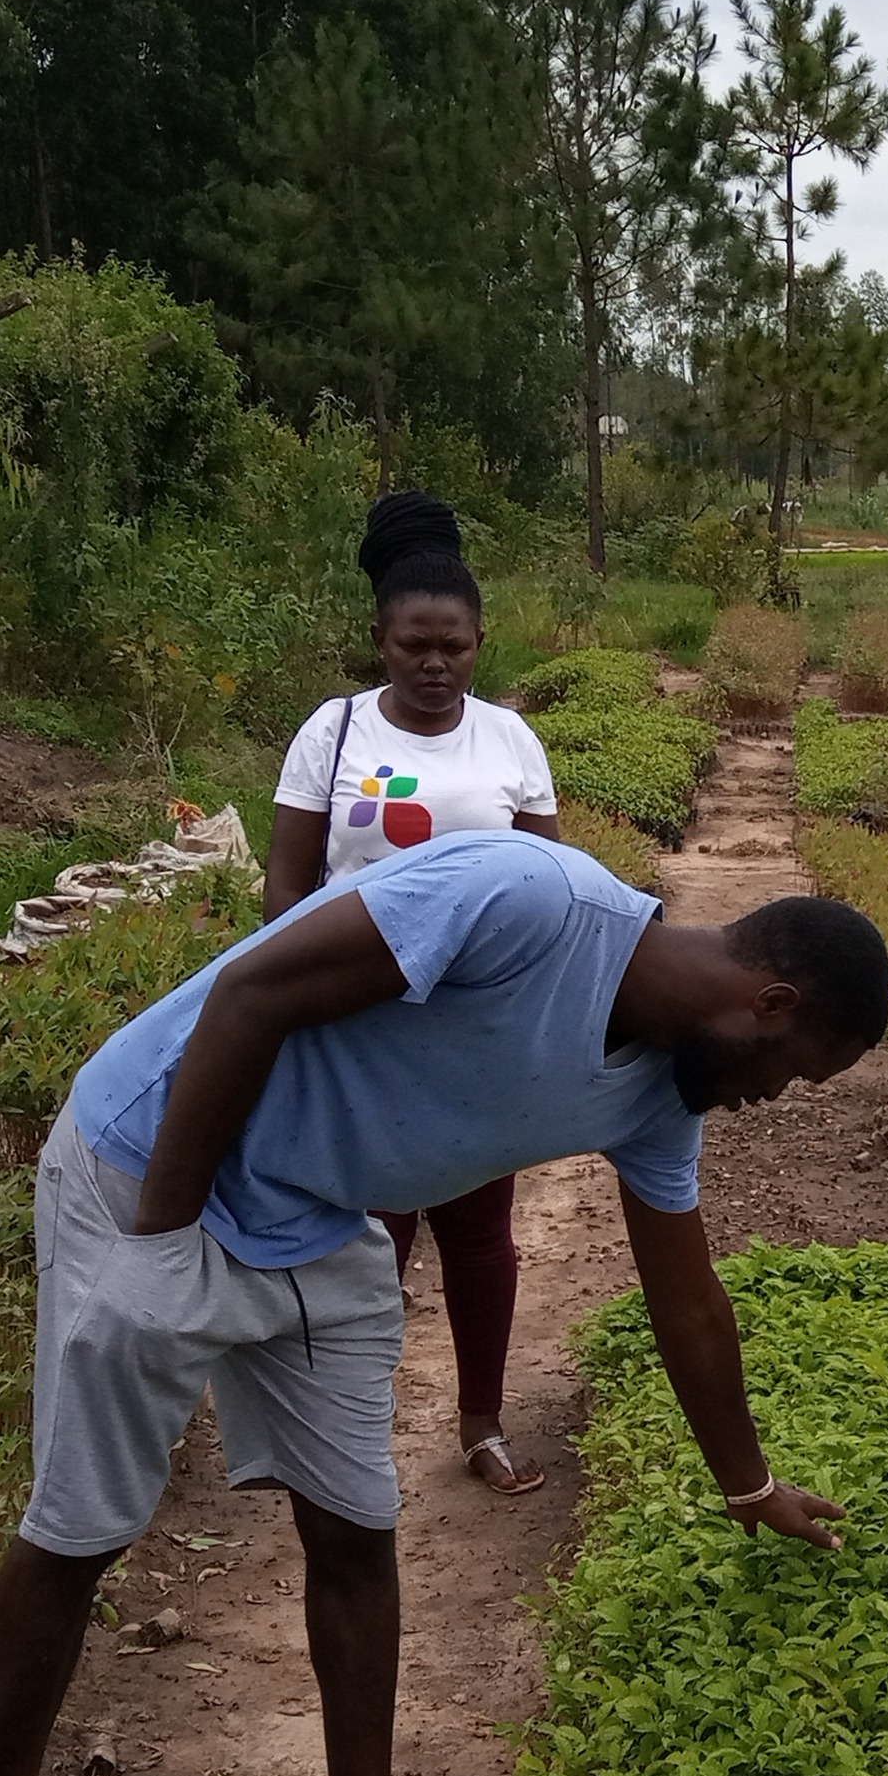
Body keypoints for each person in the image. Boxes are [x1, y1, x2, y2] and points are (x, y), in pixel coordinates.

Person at [0, 828, 888, 1776]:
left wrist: (750, 1487)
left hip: (319, 1217)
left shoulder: (658, 1098)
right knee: (83, 1524)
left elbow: (686, 1299)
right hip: (149, 1169)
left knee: (356, 1528)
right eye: (793, 1073)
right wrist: (159, 1251)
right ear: (769, 1002)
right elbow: (254, 989)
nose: (769, 1103)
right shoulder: (526, 900)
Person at [266, 492, 565, 1497]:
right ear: (380, 642)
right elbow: (287, 885)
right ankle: (347, 1432)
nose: (434, 664)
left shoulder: (509, 744)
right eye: (413, 645)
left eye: (454, 647)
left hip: (473, 1028)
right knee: (369, 1233)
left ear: (481, 644)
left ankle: (480, 1424)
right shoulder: (333, 730)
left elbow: (547, 887)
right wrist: (295, 1002)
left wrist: (531, 1015)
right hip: (361, 1025)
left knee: (480, 1233)